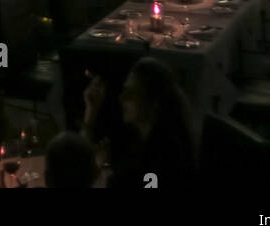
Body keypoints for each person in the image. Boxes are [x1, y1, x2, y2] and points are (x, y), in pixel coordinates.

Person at [83, 58, 197, 191]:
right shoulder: (137, 135)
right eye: (125, 90)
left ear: (153, 103)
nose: (122, 97)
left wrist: (103, 168)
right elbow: (79, 161)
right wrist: (91, 111)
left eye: (132, 93)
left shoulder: (164, 154)